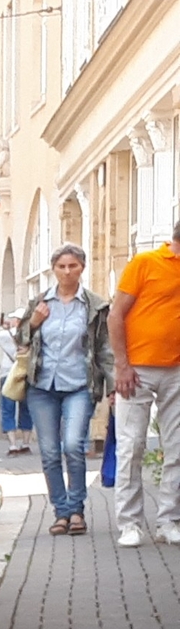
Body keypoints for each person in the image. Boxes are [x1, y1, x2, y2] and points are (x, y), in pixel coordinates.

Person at [16, 247, 109, 534]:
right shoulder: (40, 302)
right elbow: (19, 337)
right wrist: (33, 323)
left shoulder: (94, 306)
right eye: (61, 266)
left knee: (72, 446)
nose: (67, 271)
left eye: (73, 266)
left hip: (79, 385)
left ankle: (77, 511)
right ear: (53, 269)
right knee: (49, 452)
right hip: (42, 387)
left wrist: (115, 386)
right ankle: (61, 512)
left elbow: (105, 349)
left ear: (82, 268)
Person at [110, 229, 180, 546]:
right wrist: (122, 365)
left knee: (177, 448)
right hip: (136, 369)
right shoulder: (146, 262)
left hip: (176, 370)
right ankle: (130, 524)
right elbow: (115, 315)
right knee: (131, 445)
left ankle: (169, 521)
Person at [0, 311, 31, 452]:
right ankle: (25, 443)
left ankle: (13, 445)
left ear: (16, 321)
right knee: (26, 409)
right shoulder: (30, 334)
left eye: (12, 319)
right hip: (25, 374)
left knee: (8, 409)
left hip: (8, 374)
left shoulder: (5, 335)